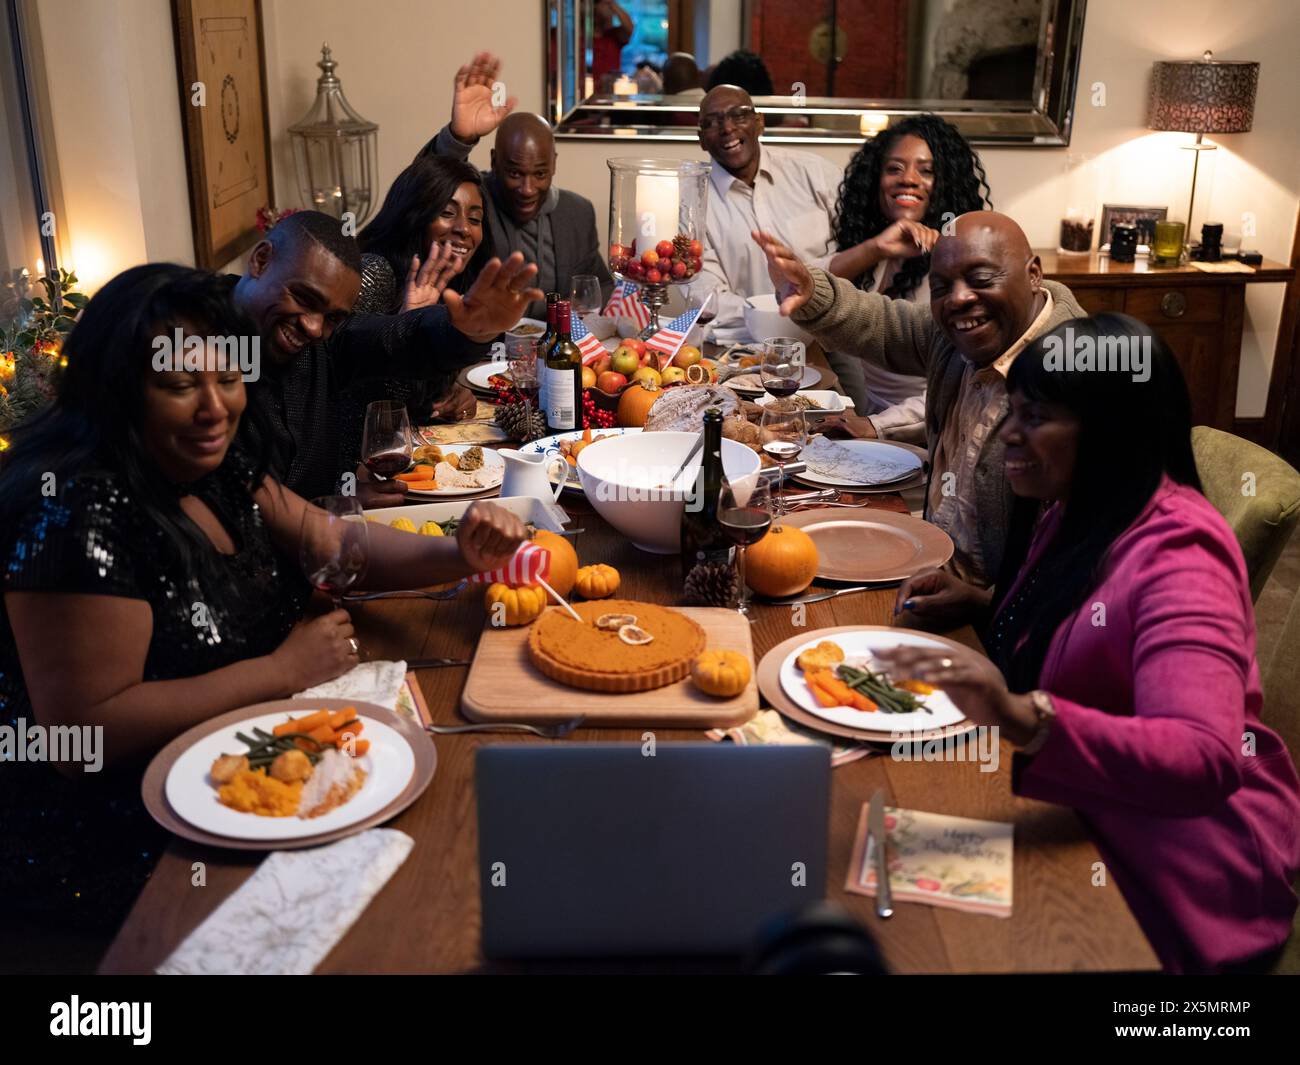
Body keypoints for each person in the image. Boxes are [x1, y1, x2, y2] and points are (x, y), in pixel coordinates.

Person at [0, 265, 530, 932]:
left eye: (226, 378)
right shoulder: (75, 508)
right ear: (120, 389)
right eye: (178, 385)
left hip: (247, 775)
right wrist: (282, 670)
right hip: (132, 860)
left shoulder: (213, 461)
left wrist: (460, 553)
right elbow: (84, 735)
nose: (214, 406)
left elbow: (333, 542)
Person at [876, 316, 1300, 974]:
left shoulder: (1182, 555)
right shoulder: (1082, 501)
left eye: (1036, 416)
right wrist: (988, 604)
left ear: (1112, 429)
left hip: (1177, 869)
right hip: (1082, 808)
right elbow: (1096, 629)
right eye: (1013, 410)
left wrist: (1022, 715)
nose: (1008, 434)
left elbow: (1204, 755)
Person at [753, 211, 1085, 587]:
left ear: (1034, 274)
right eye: (942, 287)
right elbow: (883, 324)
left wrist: (984, 605)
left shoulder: (1077, 376)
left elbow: (1081, 554)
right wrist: (813, 294)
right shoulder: (958, 332)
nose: (959, 298)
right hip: (929, 564)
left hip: (992, 617)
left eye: (980, 279)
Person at [230, 209, 541, 506]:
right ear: (261, 260)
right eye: (303, 298)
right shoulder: (196, 348)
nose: (313, 327)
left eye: (332, 318)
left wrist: (469, 333)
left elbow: (397, 338)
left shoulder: (323, 342)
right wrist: (326, 507)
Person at [825, 115, 993, 442]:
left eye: (926, 170)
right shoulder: (876, 251)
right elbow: (807, 293)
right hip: (871, 426)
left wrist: (876, 426)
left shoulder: (957, 260)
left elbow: (968, 383)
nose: (909, 179)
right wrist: (874, 248)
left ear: (947, 182)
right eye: (894, 168)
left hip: (934, 435)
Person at [421, 52, 613, 320]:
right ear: (494, 161)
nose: (527, 188)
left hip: (554, 351)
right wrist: (458, 138)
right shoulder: (474, 204)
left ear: (554, 165)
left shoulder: (577, 212)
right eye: (514, 172)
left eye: (540, 174)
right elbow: (428, 187)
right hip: (482, 350)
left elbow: (600, 284)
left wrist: (585, 312)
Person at [335, 155, 494, 472]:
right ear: (415, 216)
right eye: (447, 214)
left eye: (475, 219)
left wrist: (450, 396)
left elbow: (415, 397)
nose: (464, 228)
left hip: (408, 457)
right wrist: (406, 330)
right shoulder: (375, 273)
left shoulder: (452, 282)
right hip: (357, 472)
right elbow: (352, 404)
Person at [691, 84, 843, 340]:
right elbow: (708, 298)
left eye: (738, 115)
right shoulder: (693, 203)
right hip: (748, 342)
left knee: (854, 381)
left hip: (832, 331)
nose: (728, 128)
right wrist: (775, 315)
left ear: (759, 122)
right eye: (713, 122)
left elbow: (855, 246)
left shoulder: (814, 174)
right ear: (702, 140)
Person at [592, 0, 635, 90]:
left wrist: (612, 4)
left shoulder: (614, 35)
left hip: (609, 91)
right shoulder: (583, 37)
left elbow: (629, 28)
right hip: (585, 90)